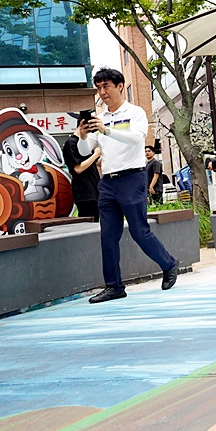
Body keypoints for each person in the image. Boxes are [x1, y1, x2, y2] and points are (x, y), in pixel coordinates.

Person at [78, 68, 179, 303]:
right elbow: (85, 151)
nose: (102, 92)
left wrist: (106, 130)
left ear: (120, 86)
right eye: (99, 87)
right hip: (108, 183)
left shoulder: (134, 112)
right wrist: (83, 135)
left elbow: (137, 138)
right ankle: (114, 286)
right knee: (107, 236)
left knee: (139, 231)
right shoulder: (99, 117)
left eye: (107, 86)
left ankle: (169, 263)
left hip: (132, 178)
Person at [62, 120, 101, 221]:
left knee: (96, 221)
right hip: (84, 191)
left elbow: (97, 162)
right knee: (88, 223)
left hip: (94, 188)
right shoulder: (71, 142)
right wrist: (95, 154)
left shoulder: (87, 142)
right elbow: (78, 169)